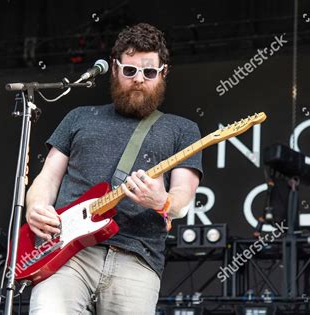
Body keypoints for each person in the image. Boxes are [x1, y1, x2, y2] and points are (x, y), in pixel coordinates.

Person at [26, 23, 203, 314]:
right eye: (130, 70)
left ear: (164, 72)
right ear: (114, 67)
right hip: (67, 254)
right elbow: (47, 179)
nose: (138, 79)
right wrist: (35, 207)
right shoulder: (78, 117)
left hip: (138, 257)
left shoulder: (182, 129)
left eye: (149, 72)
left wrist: (163, 201)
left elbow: (183, 195)